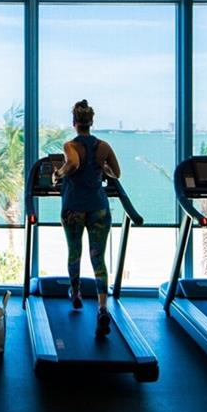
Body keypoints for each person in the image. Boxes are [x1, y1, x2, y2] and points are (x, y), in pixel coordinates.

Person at [52, 99, 123, 337]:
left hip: (73, 208)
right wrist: (102, 169)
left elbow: (72, 163)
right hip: (99, 208)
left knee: (75, 252)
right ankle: (102, 307)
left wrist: (58, 174)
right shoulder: (104, 146)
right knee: (98, 258)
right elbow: (117, 173)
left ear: (74, 123)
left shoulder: (70, 145)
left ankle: (76, 295)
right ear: (91, 122)